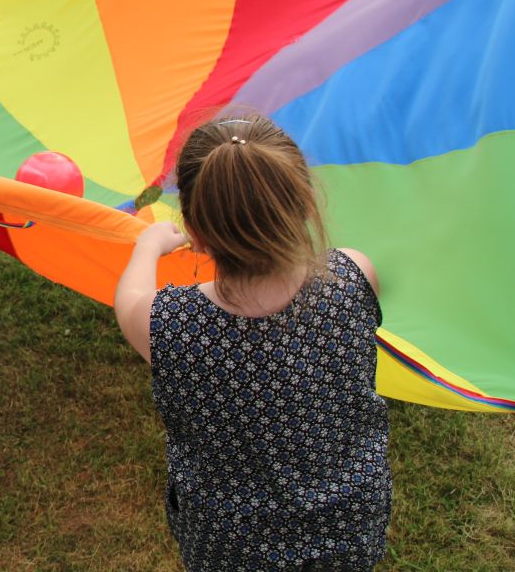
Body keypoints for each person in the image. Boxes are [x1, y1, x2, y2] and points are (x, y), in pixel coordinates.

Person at [112, 114, 390, 570]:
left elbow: (129, 300)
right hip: (347, 529)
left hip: (229, 547)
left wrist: (148, 246)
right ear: (305, 205)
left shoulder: (168, 324)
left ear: (196, 235)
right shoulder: (354, 274)